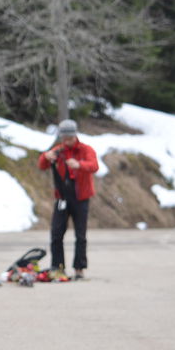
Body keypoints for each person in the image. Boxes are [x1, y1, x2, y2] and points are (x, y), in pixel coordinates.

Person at [37, 119, 98, 280]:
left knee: (80, 235)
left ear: (75, 135)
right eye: (64, 139)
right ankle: (58, 267)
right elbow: (41, 165)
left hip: (81, 198)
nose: (66, 142)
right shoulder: (59, 150)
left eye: (69, 138)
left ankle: (79, 268)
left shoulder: (86, 150)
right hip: (62, 197)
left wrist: (79, 165)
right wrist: (46, 156)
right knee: (56, 234)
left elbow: (94, 166)